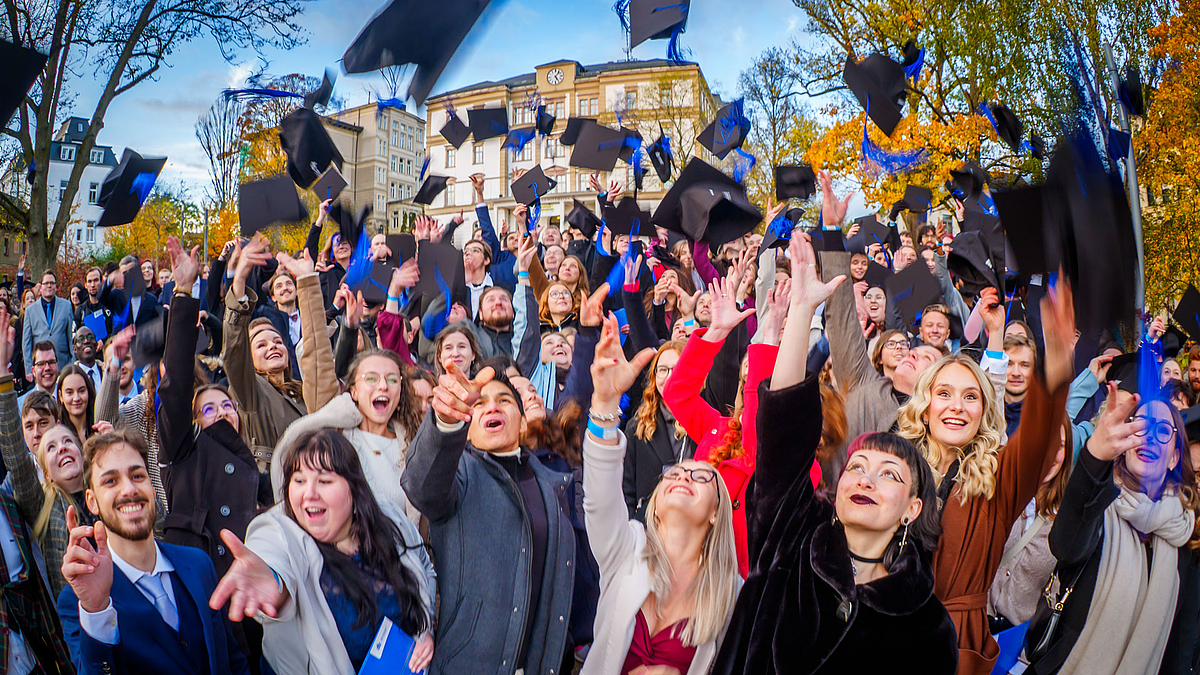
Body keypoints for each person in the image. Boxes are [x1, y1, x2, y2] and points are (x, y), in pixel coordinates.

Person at [712, 232, 956, 675]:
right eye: (857, 466)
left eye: (889, 474)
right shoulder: (794, 531)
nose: (866, 479)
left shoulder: (929, 628)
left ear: (913, 507)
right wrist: (802, 310)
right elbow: (782, 430)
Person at [896, 282, 1075, 675]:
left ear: (983, 412)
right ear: (925, 405)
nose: (957, 407)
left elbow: (1037, 442)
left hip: (954, 643)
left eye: (971, 397)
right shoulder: (896, 467)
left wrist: (1055, 364)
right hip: (888, 635)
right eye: (944, 394)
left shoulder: (996, 479)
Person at [582, 313, 741, 675]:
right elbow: (600, 496)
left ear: (716, 511)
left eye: (701, 476)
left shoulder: (733, 593)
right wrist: (605, 404)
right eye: (676, 475)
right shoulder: (625, 551)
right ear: (655, 505)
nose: (683, 475)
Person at [209, 429, 436, 674]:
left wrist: (424, 631)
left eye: (324, 481)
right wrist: (274, 579)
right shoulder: (279, 531)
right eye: (299, 481)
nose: (309, 493)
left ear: (354, 488)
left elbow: (424, 567)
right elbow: (271, 556)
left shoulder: (388, 515)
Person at [402, 364, 575, 674]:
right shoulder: (457, 475)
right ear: (467, 427)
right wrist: (445, 423)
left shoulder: (553, 485)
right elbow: (421, 486)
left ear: (523, 422)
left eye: (504, 400)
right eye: (480, 404)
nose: (493, 406)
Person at [1026, 389, 1199, 674]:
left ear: (1174, 459)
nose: (1149, 436)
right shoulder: (1098, 503)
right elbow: (1065, 546)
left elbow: (1179, 650)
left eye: (1162, 431)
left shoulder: (1185, 539)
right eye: (1140, 425)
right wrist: (1095, 456)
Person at [56, 430, 250, 675]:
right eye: (111, 481)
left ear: (153, 487)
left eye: (137, 476)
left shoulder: (199, 563)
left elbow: (232, 660)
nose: (129, 489)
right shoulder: (78, 602)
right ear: (92, 501)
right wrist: (97, 609)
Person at [154, 236, 269, 576]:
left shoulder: (255, 471)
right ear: (192, 422)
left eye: (227, 406)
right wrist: (183, 292)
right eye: (208, 410)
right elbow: (176, 384)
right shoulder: (182, 452)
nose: (221, 412)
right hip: (197, 584)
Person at [271, 348, 424, 523]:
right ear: (354, 392)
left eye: (392, 379)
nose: (383, 386)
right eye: (371, 378)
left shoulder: (412, 448)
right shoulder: (333, 440)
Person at [221, 235, 314, 471]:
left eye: (277, 341)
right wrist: (239, 280)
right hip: (272, 485)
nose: (272, 346)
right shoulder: (251, 390)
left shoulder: (302, 391)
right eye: (260, 345)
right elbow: (234, 351)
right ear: (249, 360)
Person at [986, 421, 1074, 631]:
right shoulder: (996, 489)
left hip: (1013, 639)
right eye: (1043, 443)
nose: (1049, 454)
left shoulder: (1067, 517)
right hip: (969, 624)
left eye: (1059, 446)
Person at [623, 340, 685, 520]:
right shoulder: (637, 426)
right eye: (663, 370)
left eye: (677, 369)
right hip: (649, 527)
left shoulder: (704, 420)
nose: (669, 376)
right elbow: (626, 490)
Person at [22, 269, 72, 378]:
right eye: (46, 283)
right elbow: (26, 342)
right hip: (41, 367)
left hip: (63, 365)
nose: (49, 286)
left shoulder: (66, 306)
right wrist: (29, 369)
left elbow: (70, 337)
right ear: (40, 287)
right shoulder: (30, 311)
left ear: (56, 287)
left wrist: (73, 362)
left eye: (52, 283)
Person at [1004, 334, 1038, 436]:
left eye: (1024, 365)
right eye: (1008, 364)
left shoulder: (1044, 415)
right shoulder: (986, 412)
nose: (1016, 373)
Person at [56, 363, 97, 443]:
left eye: (81, 391)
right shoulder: (56, 432)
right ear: (61, 396)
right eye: (69, 392)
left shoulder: (99, 426)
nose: (76, 398)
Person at [75, 267, 114, 343]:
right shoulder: (80, 311)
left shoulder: (111, 306)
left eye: (96, 280)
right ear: (85, 285)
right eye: (89, 281)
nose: (92, 285)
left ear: (102, 282)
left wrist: (104, 341)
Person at [19, 340, 58, 409]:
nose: (47, 368)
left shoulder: (70, 399)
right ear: (33, 371)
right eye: (41, 364)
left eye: (51, 362)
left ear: (57, 366)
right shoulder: (20, 405)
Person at [71, 327, 103, 392]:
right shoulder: (69, 377)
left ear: (96, 344)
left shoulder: (107, 372)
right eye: (81, 339)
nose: (86, 341)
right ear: (74, 348)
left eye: (90, 337)